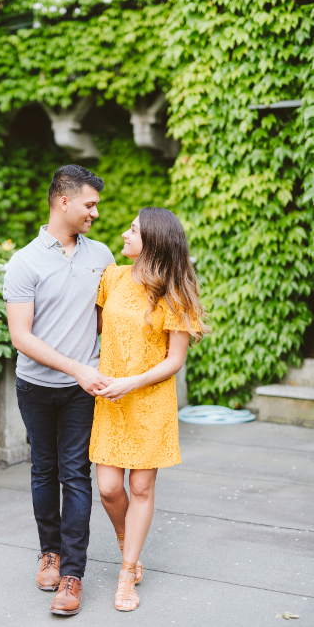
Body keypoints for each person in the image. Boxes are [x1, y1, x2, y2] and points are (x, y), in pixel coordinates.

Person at [4, 164, 115, 616]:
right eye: (90, 204)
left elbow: (112, 322)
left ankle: (72, 572)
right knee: (43, 471)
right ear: (63, 201)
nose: (95, 212)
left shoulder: (103, 255)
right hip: (35, 386)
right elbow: (21, 337)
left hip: (80, 392)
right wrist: (77, 368)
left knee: (75, 474)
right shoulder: (25, 261)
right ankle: (47, 551)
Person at [90, 207, 209, 612]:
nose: (124, 234)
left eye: (133, 230)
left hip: (149, 399)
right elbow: (96, 330)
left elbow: (174, 360)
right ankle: (129, 543)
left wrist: (132, 382)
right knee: (108, 489)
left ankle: (126, 575)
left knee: (140, 488)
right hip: (110, 398)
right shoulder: (112, 278)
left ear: (153, 242)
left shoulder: (174, 295)